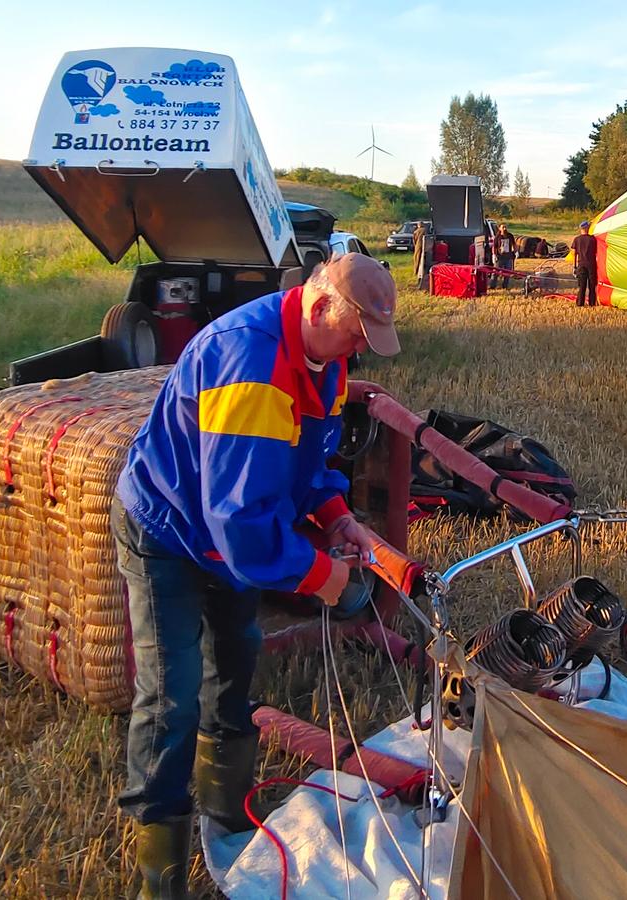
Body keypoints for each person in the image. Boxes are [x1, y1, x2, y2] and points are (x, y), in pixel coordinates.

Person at [112, 254, 400, 897]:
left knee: (236, 662)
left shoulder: (325, 356)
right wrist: (321, 577)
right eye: (358, 333)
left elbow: (311, 456)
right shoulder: (252, 367)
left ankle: (229, 823)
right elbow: (242, 527)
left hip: (225, 538)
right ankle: (159, 877)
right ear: (322, 305)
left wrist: (335, 517)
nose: (362, 349)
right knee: (171, 696)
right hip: (171, 535)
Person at [570, 220, 598, 307]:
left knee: (582, 286)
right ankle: (592, 303)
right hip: (591, 264)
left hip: (581, 265)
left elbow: (573, 253)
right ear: (587, 228)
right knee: (591, 286)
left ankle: (580, 304)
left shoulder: (577, 239)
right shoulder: (593, 239)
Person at [491, 223, 517, 289]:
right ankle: (492, 286)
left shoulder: (510, 236)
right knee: (495, 273)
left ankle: (505, 286)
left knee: (507, 273)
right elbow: (494, 246)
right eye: (503, 227)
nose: (504, 229)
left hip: (508, 257)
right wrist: (494, 255)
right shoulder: (497, 237)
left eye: (505, 227)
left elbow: (514, 244)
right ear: (499, 228)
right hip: (499, 257)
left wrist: (516, 252)